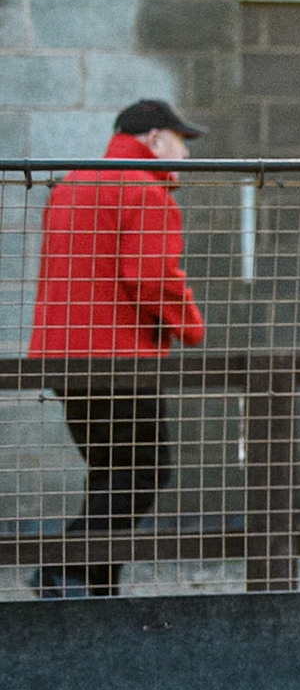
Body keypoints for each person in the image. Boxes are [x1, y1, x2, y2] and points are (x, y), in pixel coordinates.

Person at [26, 100, 207, 600]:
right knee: (147, 469)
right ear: (154, 139)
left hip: (63, 360)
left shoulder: (71, 185)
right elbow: (150, 278)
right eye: (181, 141)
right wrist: (190, 325)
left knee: (111, 472)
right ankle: (60, 569)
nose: (185, 155)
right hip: (119, 359)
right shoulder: (144, 191)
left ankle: (96, 586)